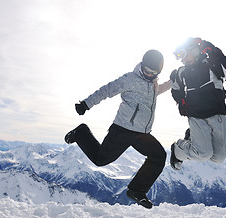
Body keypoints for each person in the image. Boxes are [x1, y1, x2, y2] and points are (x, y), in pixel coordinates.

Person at [64, 50, 172, 209]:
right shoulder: (130, 79)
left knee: (159, 156)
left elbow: (159, 90)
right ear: (141, 64)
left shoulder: (153, 84)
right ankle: (81, 132)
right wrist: (86, 104)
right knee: (100, 160)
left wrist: (173, 81)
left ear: (158, 72)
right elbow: (107, 90)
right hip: (122, 130)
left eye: (153, 72)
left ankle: (137, 190)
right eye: (146, 69)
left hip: (142, 134)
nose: (148, 73)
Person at [170, 37, 226, 170]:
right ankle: (177, 150)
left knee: (219, 158)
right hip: (196, 115)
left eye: (184, 54)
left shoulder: (211, 64)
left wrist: (213, 51)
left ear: (195, 50)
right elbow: (176, 89)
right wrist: (181, 101)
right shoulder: (182, 72)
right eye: (180, 57)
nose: (183, 60)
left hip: (217, 113)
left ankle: (192, 137)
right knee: (204, 154)